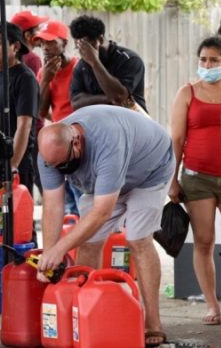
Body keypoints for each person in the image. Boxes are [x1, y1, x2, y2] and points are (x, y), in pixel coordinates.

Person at [35, 106, 173, 347]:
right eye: (52, 166)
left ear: (76, 143)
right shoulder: (50, 154)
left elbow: (102, 212)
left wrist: (60, 250)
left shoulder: (107, 141)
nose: (57, 170)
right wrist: (49, 255)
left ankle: (153, 322)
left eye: (62, 164)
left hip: (149, 171)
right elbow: (53, 205)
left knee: (138, 239)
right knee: (88, 241)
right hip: (103, 181)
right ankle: (84, 311)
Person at [168, 36, 221, 325]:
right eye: (203, 59)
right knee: (204, 241)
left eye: (214, 60)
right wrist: (172, 179)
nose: (208, 65)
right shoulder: (187, 92)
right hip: (196, 178)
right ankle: (211, 305)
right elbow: (177, 139)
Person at [35, 20, 81, 215]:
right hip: (59, 145)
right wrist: (46, 79)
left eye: (50, 42)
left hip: (80, 142)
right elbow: (41, 111)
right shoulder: (43, 73)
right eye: (42, 42)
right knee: (67, 205)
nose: (45, 47)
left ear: (64, 42)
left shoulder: (78, 68)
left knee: (82, 200)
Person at [68, 15, 147, 112]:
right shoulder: (81, 66)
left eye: (87, 47)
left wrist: (95, 62)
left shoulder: (129, 59)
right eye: (79, 48)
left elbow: (118, 97)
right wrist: (108, 98)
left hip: (132, 122)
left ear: (100, 40)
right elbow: (76, 103)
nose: (83, 53)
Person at [0, 22, 39, 193]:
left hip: (17, 164)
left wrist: (12, 165)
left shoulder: (25, 78)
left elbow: (24, 125)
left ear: (16, 46)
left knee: (16, 216)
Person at [10, 10, 49, 75]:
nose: (41, 32)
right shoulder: (33, 59)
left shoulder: (10, 56)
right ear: (28, 35)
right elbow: (37, 85)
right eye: (38, 29)